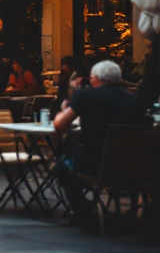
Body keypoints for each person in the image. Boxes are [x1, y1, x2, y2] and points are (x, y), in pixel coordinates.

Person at [54, 60, 148, 225]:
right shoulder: (132, 99)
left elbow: (59, 125)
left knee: (62, 164)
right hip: (132, 166)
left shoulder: (85, 96)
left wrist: (63, 108)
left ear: (95, 78)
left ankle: (83, 211)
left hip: (96, 164)